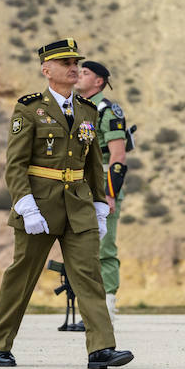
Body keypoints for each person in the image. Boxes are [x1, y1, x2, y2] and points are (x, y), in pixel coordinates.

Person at [0, 39, 132, 369]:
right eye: (65, 62)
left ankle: (101, 348)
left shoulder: (88, 110)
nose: (73, 67)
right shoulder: (29, 108)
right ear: (46, 69)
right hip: (39, 203)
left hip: (78, 204)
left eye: (75, 62)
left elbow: (95, 162)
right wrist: (25, 204)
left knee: (89, 274)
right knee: (22, 275)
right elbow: (15, 164)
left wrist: (100, 204)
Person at [76, 60, 132, 322]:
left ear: (99, 81)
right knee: (80, 247)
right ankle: (86, 306)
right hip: (78, 185)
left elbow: (118, 157)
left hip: (101, 186)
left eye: (85, 73)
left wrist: (109, 194)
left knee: (104, 247)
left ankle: (106, 305)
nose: (79, 76)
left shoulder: (108, 111)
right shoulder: (74, 107)